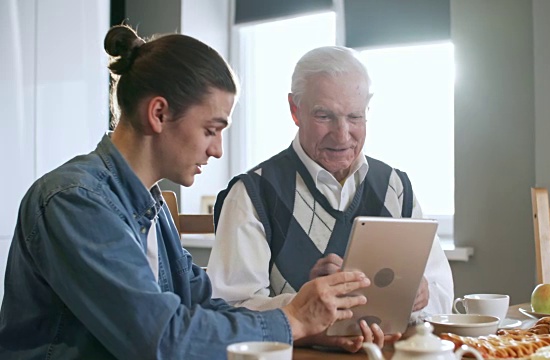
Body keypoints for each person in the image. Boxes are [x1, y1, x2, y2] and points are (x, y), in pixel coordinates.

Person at [0, 26, 378, 359]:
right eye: (211, 130)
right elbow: (161, 339)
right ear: (159, 114)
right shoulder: (74, 201)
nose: (217, 150)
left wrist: (308, 325)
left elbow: (204, 307)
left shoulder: (152, 208)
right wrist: (291, 322)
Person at [207, 46, 455, 330]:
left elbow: (443, 296)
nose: (342, 134)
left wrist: (421, 295)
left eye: (354, 117)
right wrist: (305, 302)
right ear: (294, 110)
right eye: (324, 116)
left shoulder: (396, 187)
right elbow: (230, 309)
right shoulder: (253, 193)